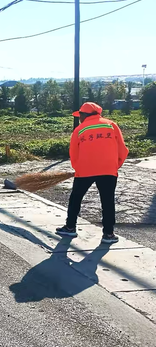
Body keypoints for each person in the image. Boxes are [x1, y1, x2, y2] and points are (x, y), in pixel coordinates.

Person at [56, 102, 129, 244]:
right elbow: (123, 150)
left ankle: (70, 227)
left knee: (76, 198)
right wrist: (114, 166)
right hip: (108, 170)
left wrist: (79, 168)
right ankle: (108, 234)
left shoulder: (80, 129)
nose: (79, 118)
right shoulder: (111, 125)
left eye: (80, 115)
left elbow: (73, 153)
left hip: (85, 170)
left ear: (84, 115)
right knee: (107, 201)